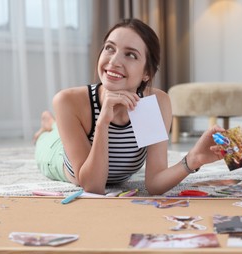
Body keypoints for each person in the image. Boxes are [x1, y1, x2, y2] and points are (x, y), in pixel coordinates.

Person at [33, 18, 225, 195]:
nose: (114, 61)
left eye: (130, 55)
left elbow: (155, 183)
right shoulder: (69, 101)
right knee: (48, 138)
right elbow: (92, 186)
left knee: (60, 129)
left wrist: (192, 160)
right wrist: (103, 123)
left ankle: (53, 124)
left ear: (147, 73)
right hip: (55, 156)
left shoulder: (153, 104)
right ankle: (48, 127)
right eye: (110, 48)